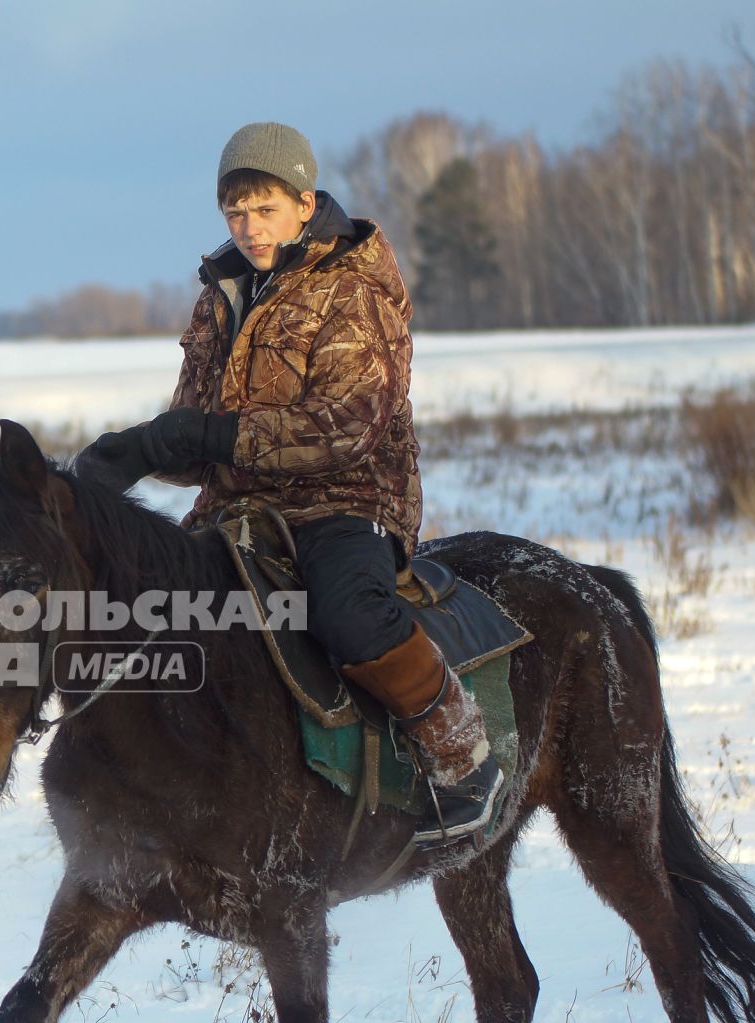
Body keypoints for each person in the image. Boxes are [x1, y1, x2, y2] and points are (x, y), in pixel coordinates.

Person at [75, 121, 503, 845]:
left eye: (263, 208)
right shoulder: (220, 295)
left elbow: (347, 425)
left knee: (346, 613)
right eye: (234, 212)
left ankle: (462, 757)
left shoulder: (351, 287)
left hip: (348, 500)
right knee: (149, 609)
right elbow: (199, 435)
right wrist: (144, 448)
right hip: (239, 509)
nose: (248, 227)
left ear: (304, 203)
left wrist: (211, 435)